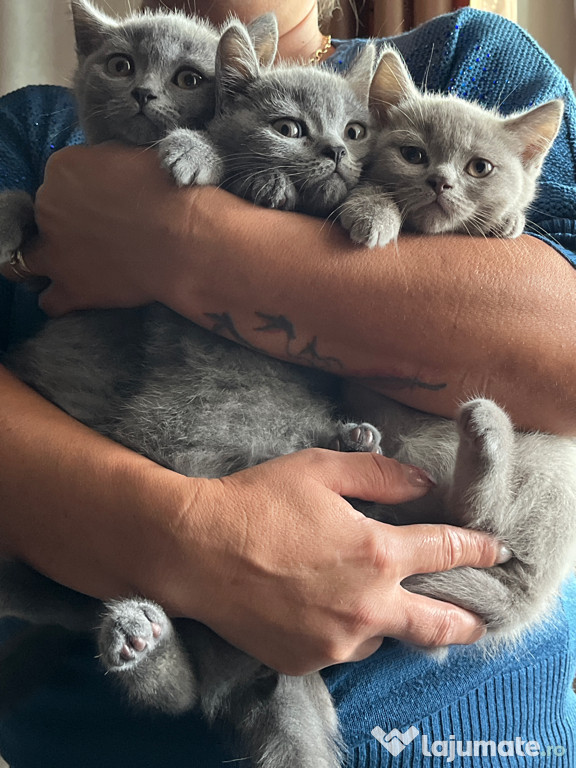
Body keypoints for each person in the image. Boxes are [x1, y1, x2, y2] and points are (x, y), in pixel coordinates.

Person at [0, 0, 574, 765]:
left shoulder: (463, 61)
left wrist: (179, 241)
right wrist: (189, 539)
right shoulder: (34, 128)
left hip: (478, 730)